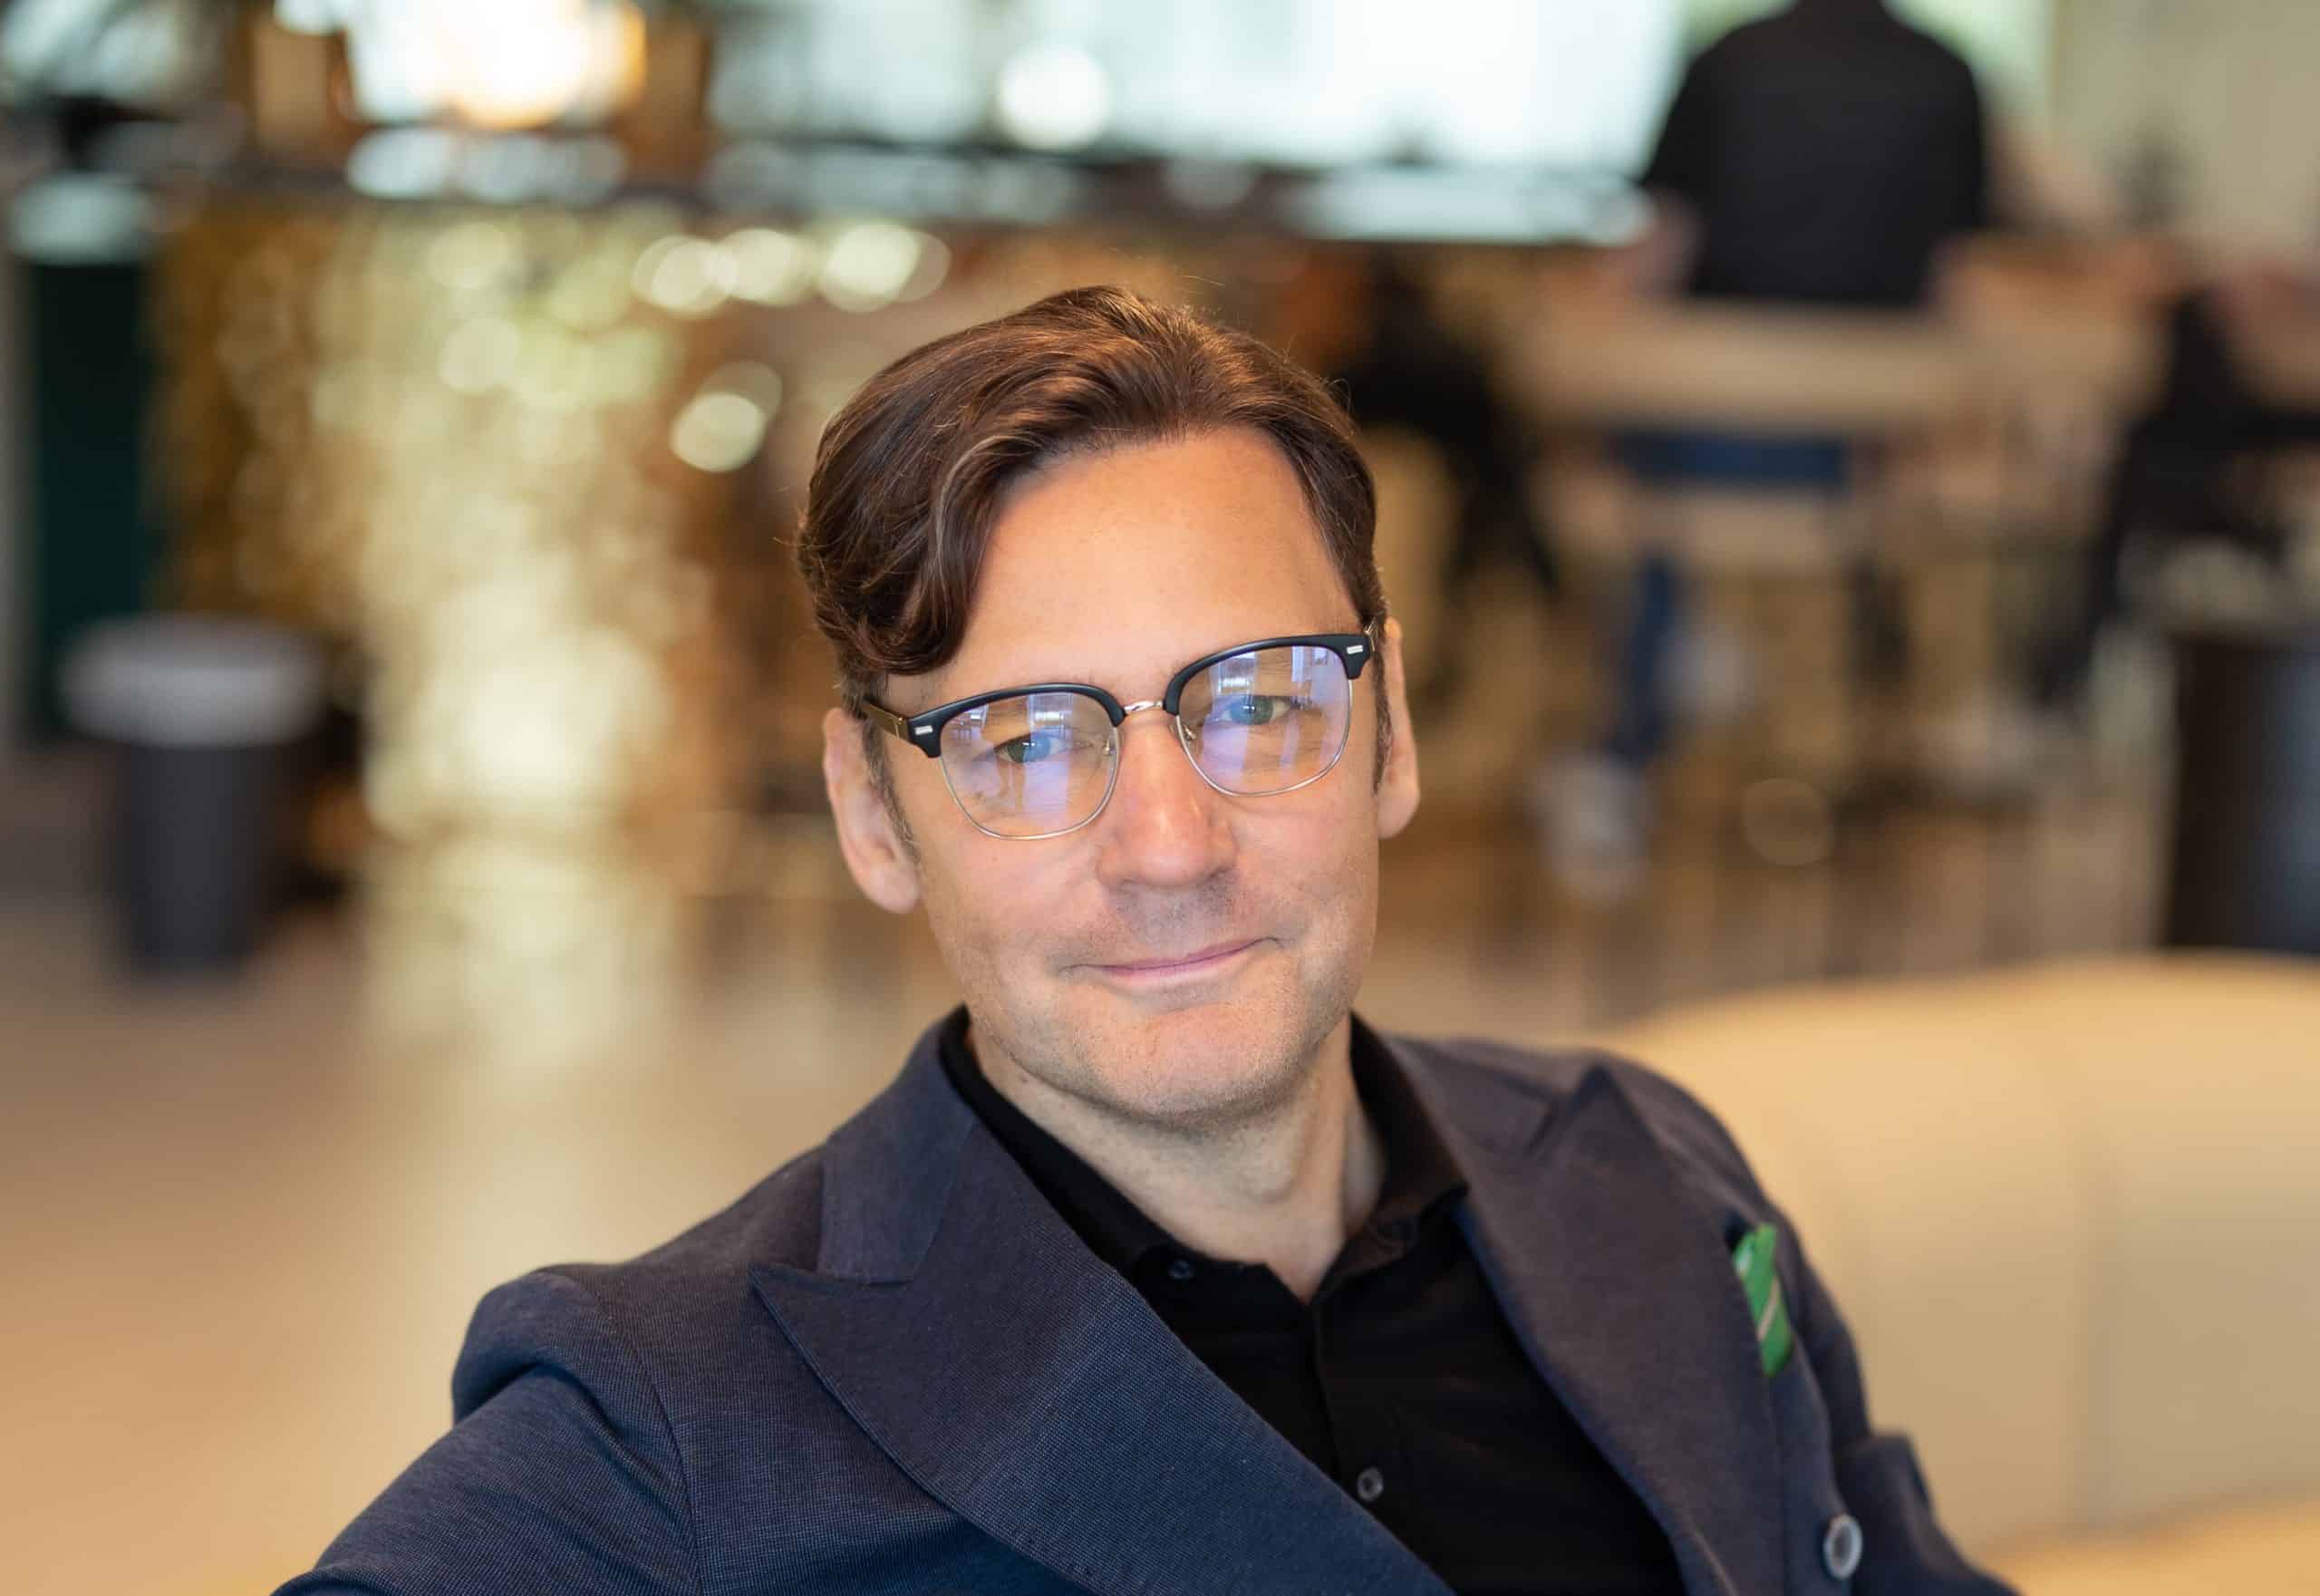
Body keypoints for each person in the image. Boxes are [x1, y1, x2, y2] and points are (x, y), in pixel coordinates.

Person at [278, 288, 2012, 1595]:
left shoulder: (1651, 1176)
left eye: (1259, 702)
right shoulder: (675, 1421)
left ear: (1392, 728)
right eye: (1027, 742)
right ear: (874, 812)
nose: (1171, 847)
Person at [1547, 0, 1991, 885]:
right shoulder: (1950, 74)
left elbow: (1660, 253)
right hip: (1855, 476)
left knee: (1623, 456)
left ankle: (1634, 732)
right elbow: (1953, 283)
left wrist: (1571, 333)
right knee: (1854, 475)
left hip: (1705, 455)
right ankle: (1860, 716)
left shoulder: (1726, 59)